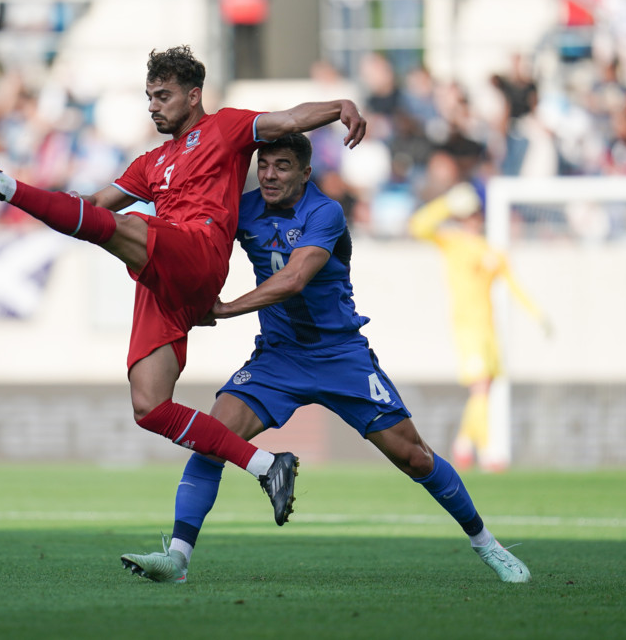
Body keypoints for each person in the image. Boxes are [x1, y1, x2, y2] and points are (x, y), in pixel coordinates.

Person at [0, 45, 367, 525]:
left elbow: (289, 119)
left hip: (197, 252)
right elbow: (92, 203)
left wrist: (340, 107)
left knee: (123, 226)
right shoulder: (150, 163)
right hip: (162, 273)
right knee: (149, 406)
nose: (153, 105)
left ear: (193, 97)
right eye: (150, 96)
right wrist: (41, 205)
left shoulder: (227, 127)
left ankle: (3, 184)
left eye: (163, 95)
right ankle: (266, 465)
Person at [118, 133, 531, 585]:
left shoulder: (325, 212)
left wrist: (223, 308)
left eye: (283, 166)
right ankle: (176, 559)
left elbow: (295, 278)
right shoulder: (245, 209)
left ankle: (486, 543)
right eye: (265, 165)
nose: (270, 175)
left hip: (340, 356)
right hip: (278, 357)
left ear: (305, 172)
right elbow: (196, 240)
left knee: (413, 456)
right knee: (213, 437)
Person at [408, 182, 550, 471]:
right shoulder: (453, 242)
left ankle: (463, 444)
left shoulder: (492, 251)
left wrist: (537, 315)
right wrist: (447, 202)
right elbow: (418, 225)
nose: (472, 220)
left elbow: (514, 285)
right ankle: (487, 451)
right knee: (481, 387)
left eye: (476, 215)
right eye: (468, 215)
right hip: (466, 327)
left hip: (488, 329)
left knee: (487, 387)